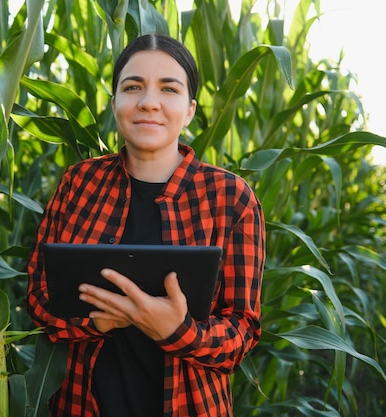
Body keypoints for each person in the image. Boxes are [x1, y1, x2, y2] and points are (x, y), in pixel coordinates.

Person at [27, 33, 265, 417]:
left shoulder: (231, 198)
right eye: (133, 86)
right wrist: (97, 322)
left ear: (189, 110)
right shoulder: (79, 184)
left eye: (168, 89)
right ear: (115, 102)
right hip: (80, 406)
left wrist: (178, 330)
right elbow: (39, 298)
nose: (148, 102)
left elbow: (242, 332)